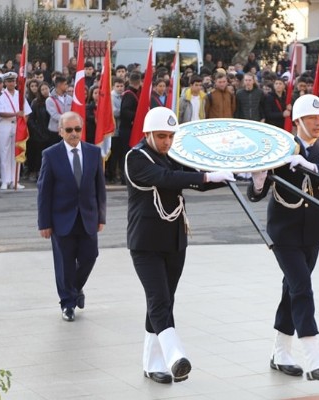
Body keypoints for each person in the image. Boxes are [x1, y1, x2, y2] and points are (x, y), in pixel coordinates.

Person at [125, 107, 234, 384]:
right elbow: (166, 180)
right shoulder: (135, 158)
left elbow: (194, 181)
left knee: (164, 301)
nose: (166, 142)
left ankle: (152, 364)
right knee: (159, 299)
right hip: (146, 243)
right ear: (148, 133)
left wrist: (229, 175)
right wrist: (207, 177)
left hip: (174, 240)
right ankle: (175, 357)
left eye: (171, 137)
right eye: (161, 136)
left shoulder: (171, 156)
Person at [248, 94, 319, 381]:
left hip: (314, 230)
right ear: (298, 122)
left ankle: (280, 352)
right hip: (284, 231)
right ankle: (314, 357)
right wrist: (259, 177)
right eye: (312, 118)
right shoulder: (280, 148)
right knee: (302, 286)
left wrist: (311, 166)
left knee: (291, 288)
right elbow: (256, 195)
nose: (318, 123)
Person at [37, 111, 107, 322]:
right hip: (61, 219)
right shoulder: (50, 155)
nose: (74, 133)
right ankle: (67, 304)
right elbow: (44, 191)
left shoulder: (94, 153)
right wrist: (44, 223)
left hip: (88, 217)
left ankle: (75, 289)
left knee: (90, 256)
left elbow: (99, 188)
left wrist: (101, 217)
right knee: (64, 263)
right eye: (69, 130)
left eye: (77, 129)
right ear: (60, 132)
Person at [0, 71, 32, 190]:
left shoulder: (20, 95)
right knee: (4, 152)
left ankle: (15, 180)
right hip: (5, 124)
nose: (11, 83)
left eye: (13, 81)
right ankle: (5, 180)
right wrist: (16, 114)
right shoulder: (1, 95)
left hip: (17, 125)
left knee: (16, 152)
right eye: (9, 81)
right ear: (5, 82)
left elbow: (27, 112)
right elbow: (0, 112)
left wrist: (23, 122)